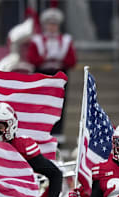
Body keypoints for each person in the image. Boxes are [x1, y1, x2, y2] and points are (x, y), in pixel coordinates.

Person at [26, 7, 76, 136]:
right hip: (43, 74)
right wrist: (45, 58)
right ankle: (42, 133)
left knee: (59, 105)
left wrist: (60, 59)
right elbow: (32, 58)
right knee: (42, 104)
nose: (52, 27)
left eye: (54, 24)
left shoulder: (65, 40)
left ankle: (58, 134)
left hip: (59, 74)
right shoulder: (37, 40)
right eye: (49, 24)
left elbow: (72, 61)